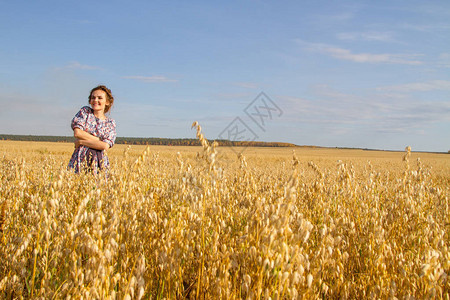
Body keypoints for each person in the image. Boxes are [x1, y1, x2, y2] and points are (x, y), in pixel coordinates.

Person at [68, 85, 117, 173]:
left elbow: (105, 146)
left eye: (100, 98)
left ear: (107, 102)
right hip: (80, 159)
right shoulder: (85, 112)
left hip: (99, 161)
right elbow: (77, 133)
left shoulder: (110, 123)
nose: (95, 100)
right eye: (93, 98)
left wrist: (81, 142)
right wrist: (98, 140)